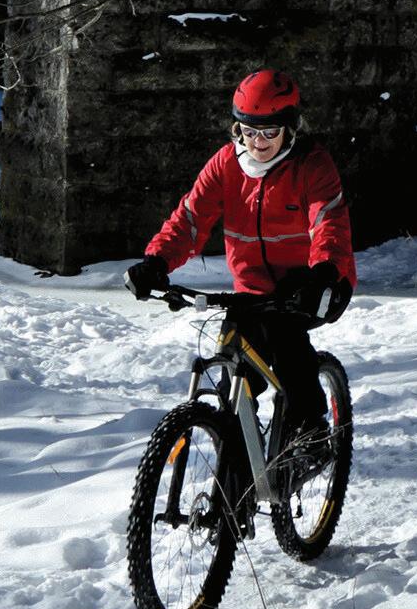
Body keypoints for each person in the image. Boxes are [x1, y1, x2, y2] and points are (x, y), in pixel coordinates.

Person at [128, 68, 354, 469]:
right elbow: (190, 219)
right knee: (236, 375)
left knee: (284, 337)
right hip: (252, 289)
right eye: (249, 131)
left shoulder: (311, 165)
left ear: (290, 128)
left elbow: (328, 224)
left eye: (269, 132)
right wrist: (156, 262)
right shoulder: (225, 166)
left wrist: (323, 273)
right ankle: (235, 474)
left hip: (313, 284)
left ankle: (311, 431)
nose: (258, 142)